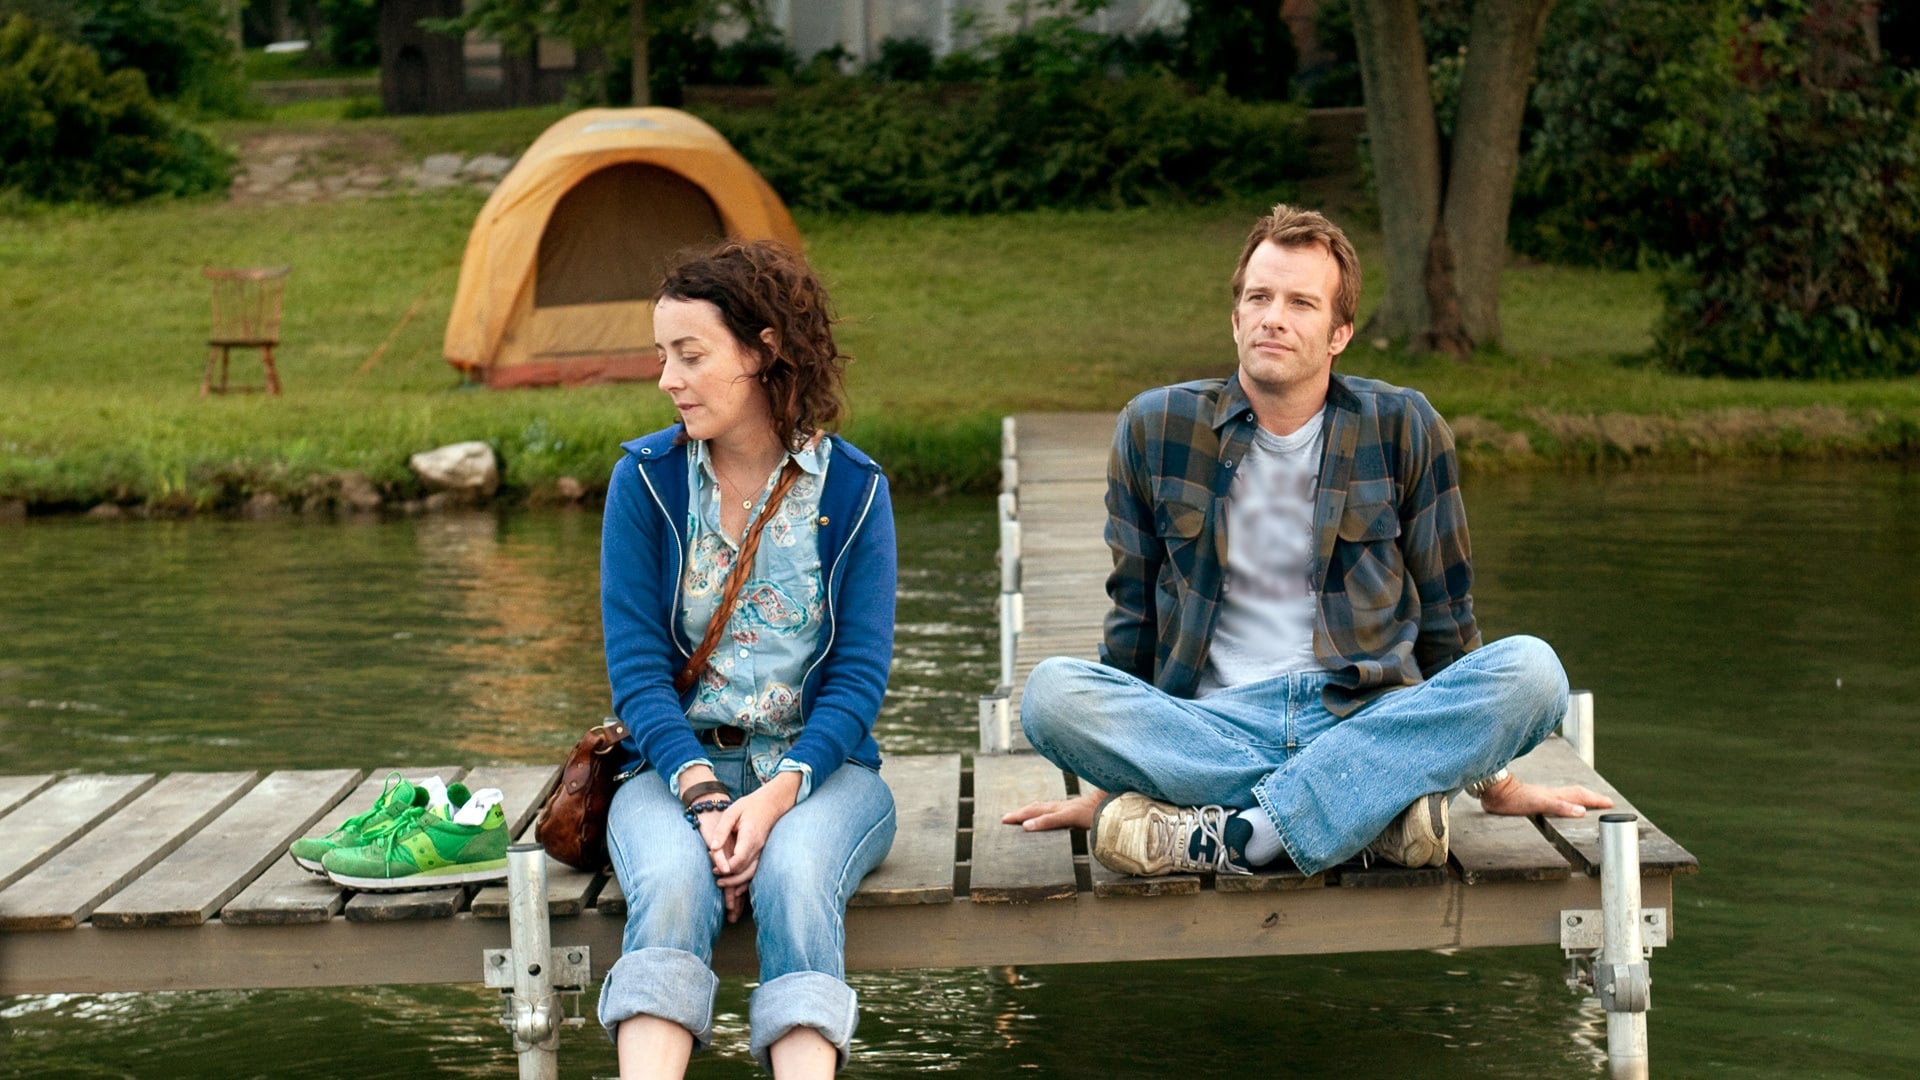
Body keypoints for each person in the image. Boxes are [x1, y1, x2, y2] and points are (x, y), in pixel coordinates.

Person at [1003, 204, 1609, 879]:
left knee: (1533, 672)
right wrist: (1105, 783)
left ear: (1339, 333)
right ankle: (1371, 810)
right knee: (1051, 695)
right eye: (1258, 298)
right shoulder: (1155, 426)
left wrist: (1495, 781)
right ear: (1236, 319)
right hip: (1212, 725)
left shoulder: (1404, 425)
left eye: (1300, 303)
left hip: (1363, 715)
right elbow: (1134, 618)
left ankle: (1239, 835)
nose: (1273, 317)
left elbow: (1448, 621)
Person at [596, 240, 897, 1078]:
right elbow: (637, 673)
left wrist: (770, 804)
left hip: (820, 775)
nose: (668, 378)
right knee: (672, 883)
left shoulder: (855, 490)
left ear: (763, 350)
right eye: (663, 355)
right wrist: (703, 799)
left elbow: (857, 681)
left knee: (796, 878)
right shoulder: (645, 482)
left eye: (690, 355)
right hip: (669, 772)